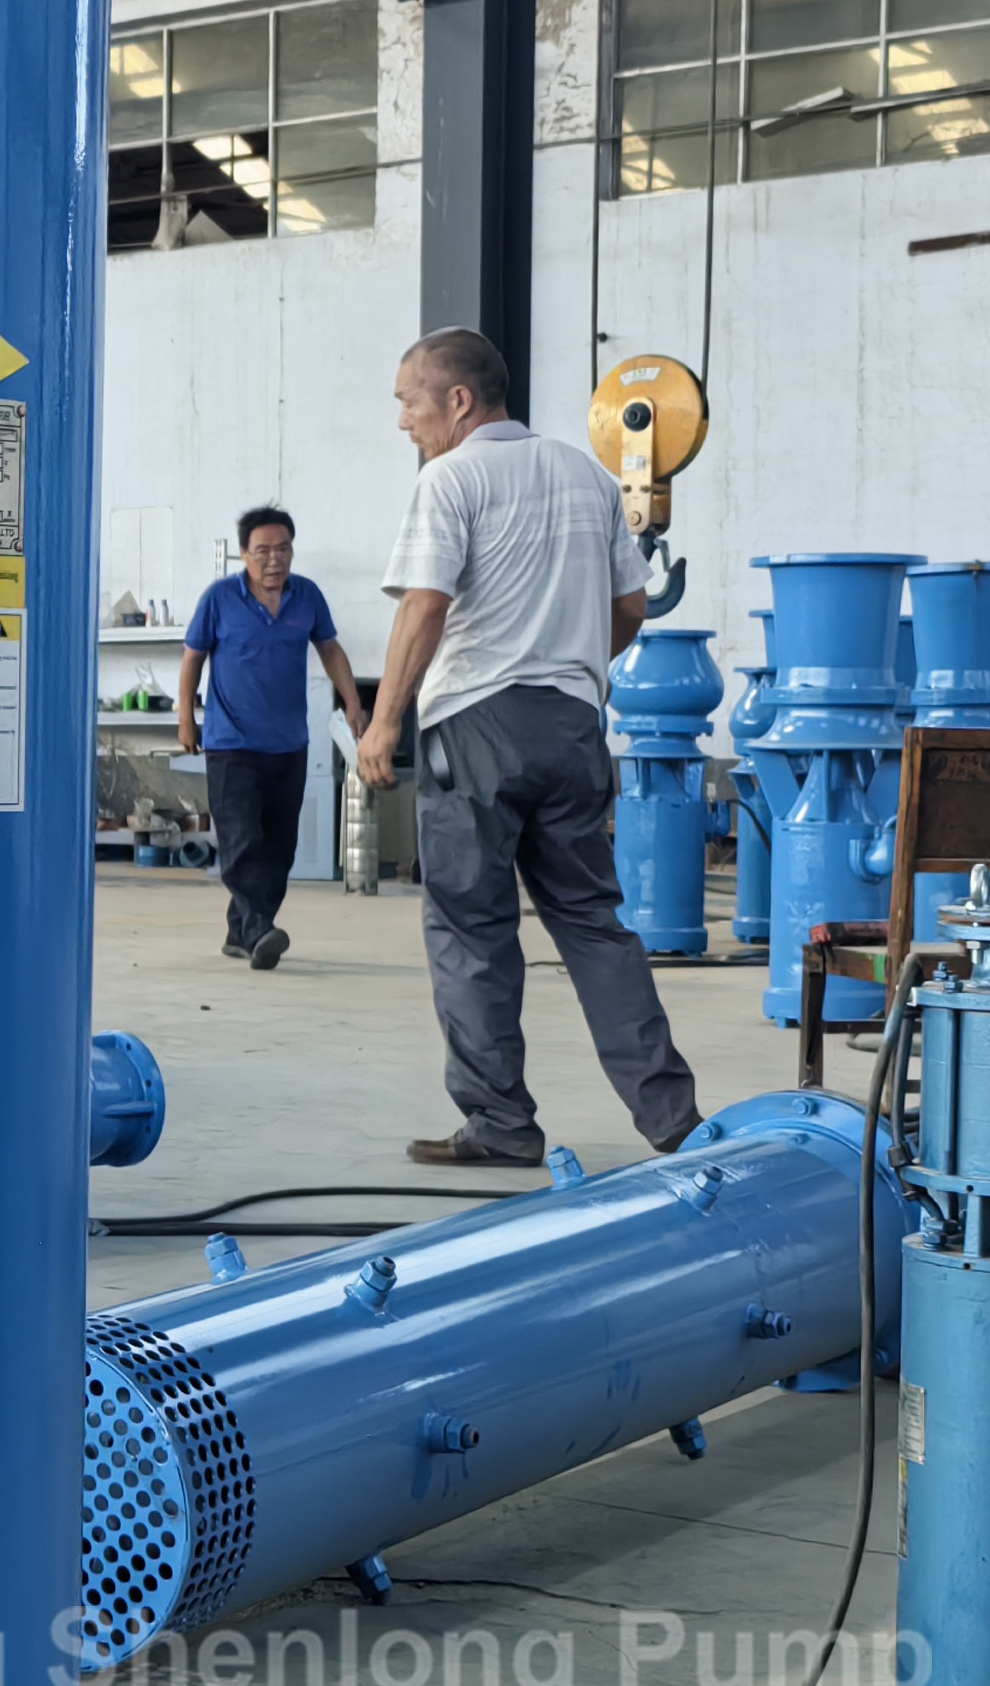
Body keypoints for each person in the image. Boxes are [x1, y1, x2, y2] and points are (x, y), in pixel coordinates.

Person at [356, 329, 701, 1167]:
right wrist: (573, 666)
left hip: (476, 729)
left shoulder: (451, 479)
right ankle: (673, 1120)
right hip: (573, 727)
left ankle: (502, 1125)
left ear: (458, 400)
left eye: (409, 400)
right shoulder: (587, 475)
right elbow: (631, 607)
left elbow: (425, 607)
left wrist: (384, 720)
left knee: (471, 930)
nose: (403, 420)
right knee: (594, 926)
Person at [177, 506, 366, 970]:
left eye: (283, 549)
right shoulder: (220, 599)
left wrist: (353, 701)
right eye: (262, 551)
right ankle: (260, 929)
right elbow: (192, 658)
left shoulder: (307, 596)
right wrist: (186, 717)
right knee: (242, 841)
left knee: (280, 849)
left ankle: (241, 931)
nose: (274, 559)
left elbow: (329, 649)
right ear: (244, 554)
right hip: (231, 744)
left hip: (288, 744)